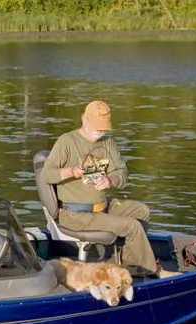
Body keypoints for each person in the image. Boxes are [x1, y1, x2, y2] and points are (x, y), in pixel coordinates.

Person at [38, 100, 181, 279]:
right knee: (132, 226)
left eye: (105, 127)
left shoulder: (108, 142)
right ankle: (153, 271)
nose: (102, 131)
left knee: (141, 212)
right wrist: (71, 171)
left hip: (102, 206)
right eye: (98, 127)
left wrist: (111, 181)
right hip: (75, 215)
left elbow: (121, 172)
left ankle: (131, 263)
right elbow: (46, 175)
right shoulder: (66, 141)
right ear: (85, 120)